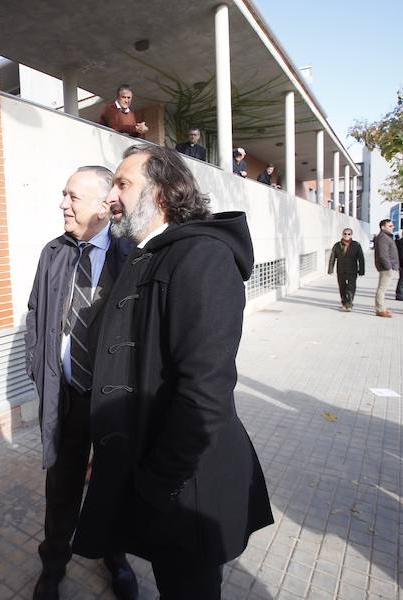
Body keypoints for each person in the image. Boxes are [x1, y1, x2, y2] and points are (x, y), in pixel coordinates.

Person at [72, 145, 273, 599]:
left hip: (187, 485)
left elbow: (204, 390)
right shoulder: (147, 252)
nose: (111, 198)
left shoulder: (201, 257)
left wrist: (159, 483)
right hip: (158, 474)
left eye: (122, 184)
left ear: (161, 192)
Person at [24, 166, 137, 600]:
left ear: (105, 207)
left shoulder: (130, 255)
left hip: (110, 404)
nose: (63, 204)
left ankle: (116, 557)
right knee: (62, 488)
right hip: (67, 398)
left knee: (112, 486)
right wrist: (40, 368)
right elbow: (37, 311)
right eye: (63, 194)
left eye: (72, 196)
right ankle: (53, 563)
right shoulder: (54, 252)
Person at [328, 228, 365, 311]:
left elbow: (361, 258)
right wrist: (330, 269)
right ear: (342, 234)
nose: (346, 235)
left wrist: (362, 270)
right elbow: (332, 258)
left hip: (352, 270)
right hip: (341, 270)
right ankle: (344, 303)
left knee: (351, 288)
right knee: (342, 287)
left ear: (351, 235)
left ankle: (349, 304)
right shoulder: (337, 245)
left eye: (348, 234)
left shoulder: (356, 245)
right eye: (345, 233)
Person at [373, 219, 398, 317]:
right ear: (383, 227)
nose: (392, 227)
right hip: (386, 268)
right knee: (382, 288)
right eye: (390, 226)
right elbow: (383, 254)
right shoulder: (383, 237)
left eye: (392, 226)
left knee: (383, 288)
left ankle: (381, 307)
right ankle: (380, 309)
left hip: (387, 267)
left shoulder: (385, 237)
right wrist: (388, 267)